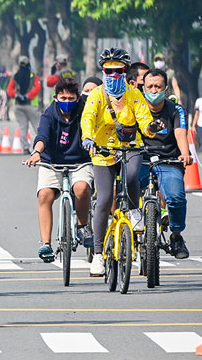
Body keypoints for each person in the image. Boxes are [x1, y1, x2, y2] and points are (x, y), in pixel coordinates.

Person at [80, 47, 162, 276]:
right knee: (105, 198)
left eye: (118, 71)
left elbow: (144, 117)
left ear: (125, 72)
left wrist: (150, 128)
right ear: (103, 72)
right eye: (109, 71)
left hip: (130, 147)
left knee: (134, 176)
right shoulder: (97, 94)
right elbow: (87, 117)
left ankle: (135, 212)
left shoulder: (134, 94)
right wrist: (88, 137)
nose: (113, 75)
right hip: (102, 151)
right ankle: (97, 255)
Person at [25, 78, 92, 262]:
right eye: (63, 97)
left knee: (82, 188)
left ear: (78, 98)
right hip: (51, 162)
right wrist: (37, 152)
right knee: (44, 195)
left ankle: (82, 226)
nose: (67, 101)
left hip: (80, 162)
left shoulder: (85, 111)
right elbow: (42, 136)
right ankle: (46, 244)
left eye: (71, 98)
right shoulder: (49, 115)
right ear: (56, 98)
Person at [138, 68, 191, 259]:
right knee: (126, 186)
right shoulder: (135, 107)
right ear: (142, 87)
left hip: (169, 160)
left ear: (165, 88)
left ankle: (176, 236)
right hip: (140, 160)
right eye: (149, 86)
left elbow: (180, 133)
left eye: (158, 86)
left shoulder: (175, 110)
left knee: (176, 199)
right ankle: (129, 229)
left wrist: (185, 154)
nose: (153, 90)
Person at [7, 55, 41, 154]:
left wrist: (17, 95)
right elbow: (37, 87)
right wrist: (28, 96)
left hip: (18, 105)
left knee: (23, 127)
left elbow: (10, 90)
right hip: (31, 105)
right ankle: (39, 147)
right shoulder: (33, 75)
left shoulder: (15, 76)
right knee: (37, 127)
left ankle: (25, 147)